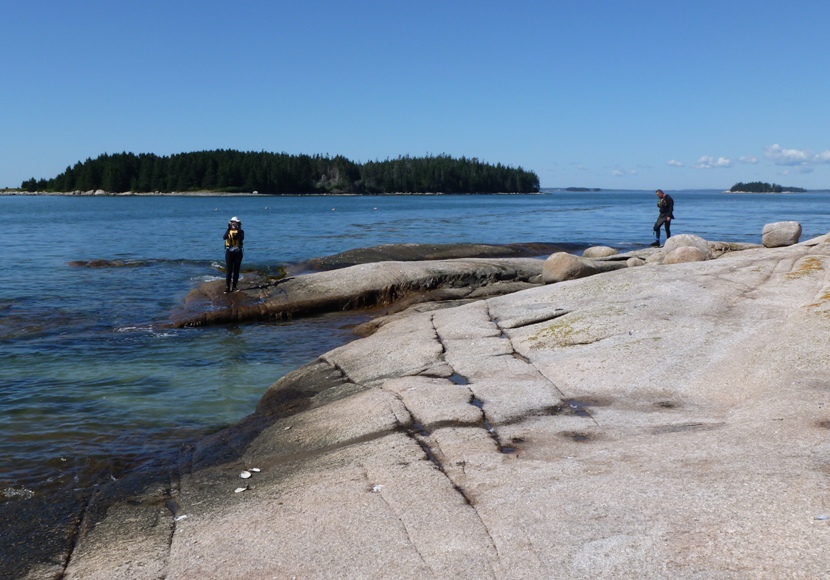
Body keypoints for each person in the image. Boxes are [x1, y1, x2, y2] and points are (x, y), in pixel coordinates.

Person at [223, 216, 244, 292]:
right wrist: (229, 228)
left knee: (236, 270)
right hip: (229, 252)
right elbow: (224, 237)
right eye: (233, 223)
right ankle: (227, 287)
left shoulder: (241, 231)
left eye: (236, 223)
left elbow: (241, 238)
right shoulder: (228, 231)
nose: (234, 225)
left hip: (238, 252)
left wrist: (238, 230)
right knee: (229, 270)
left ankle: (234, 286)